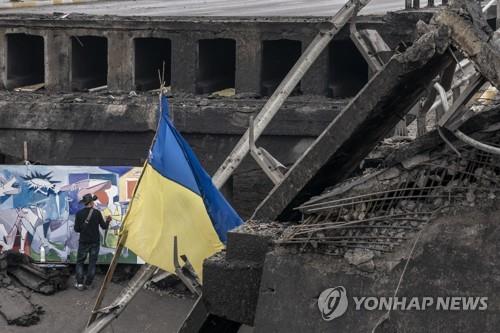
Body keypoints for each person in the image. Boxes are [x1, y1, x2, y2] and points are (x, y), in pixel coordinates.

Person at [73, 193, 111, 290]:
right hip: (95, 242)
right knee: (92, 263)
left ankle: (80, 284)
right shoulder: (97, 213)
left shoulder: (79, 214)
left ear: (85, 203)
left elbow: (76, 229)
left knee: (80, 262)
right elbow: (104, 227)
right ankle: (89, 283)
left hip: (83, 242)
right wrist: (108, 220)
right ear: (92, 202)